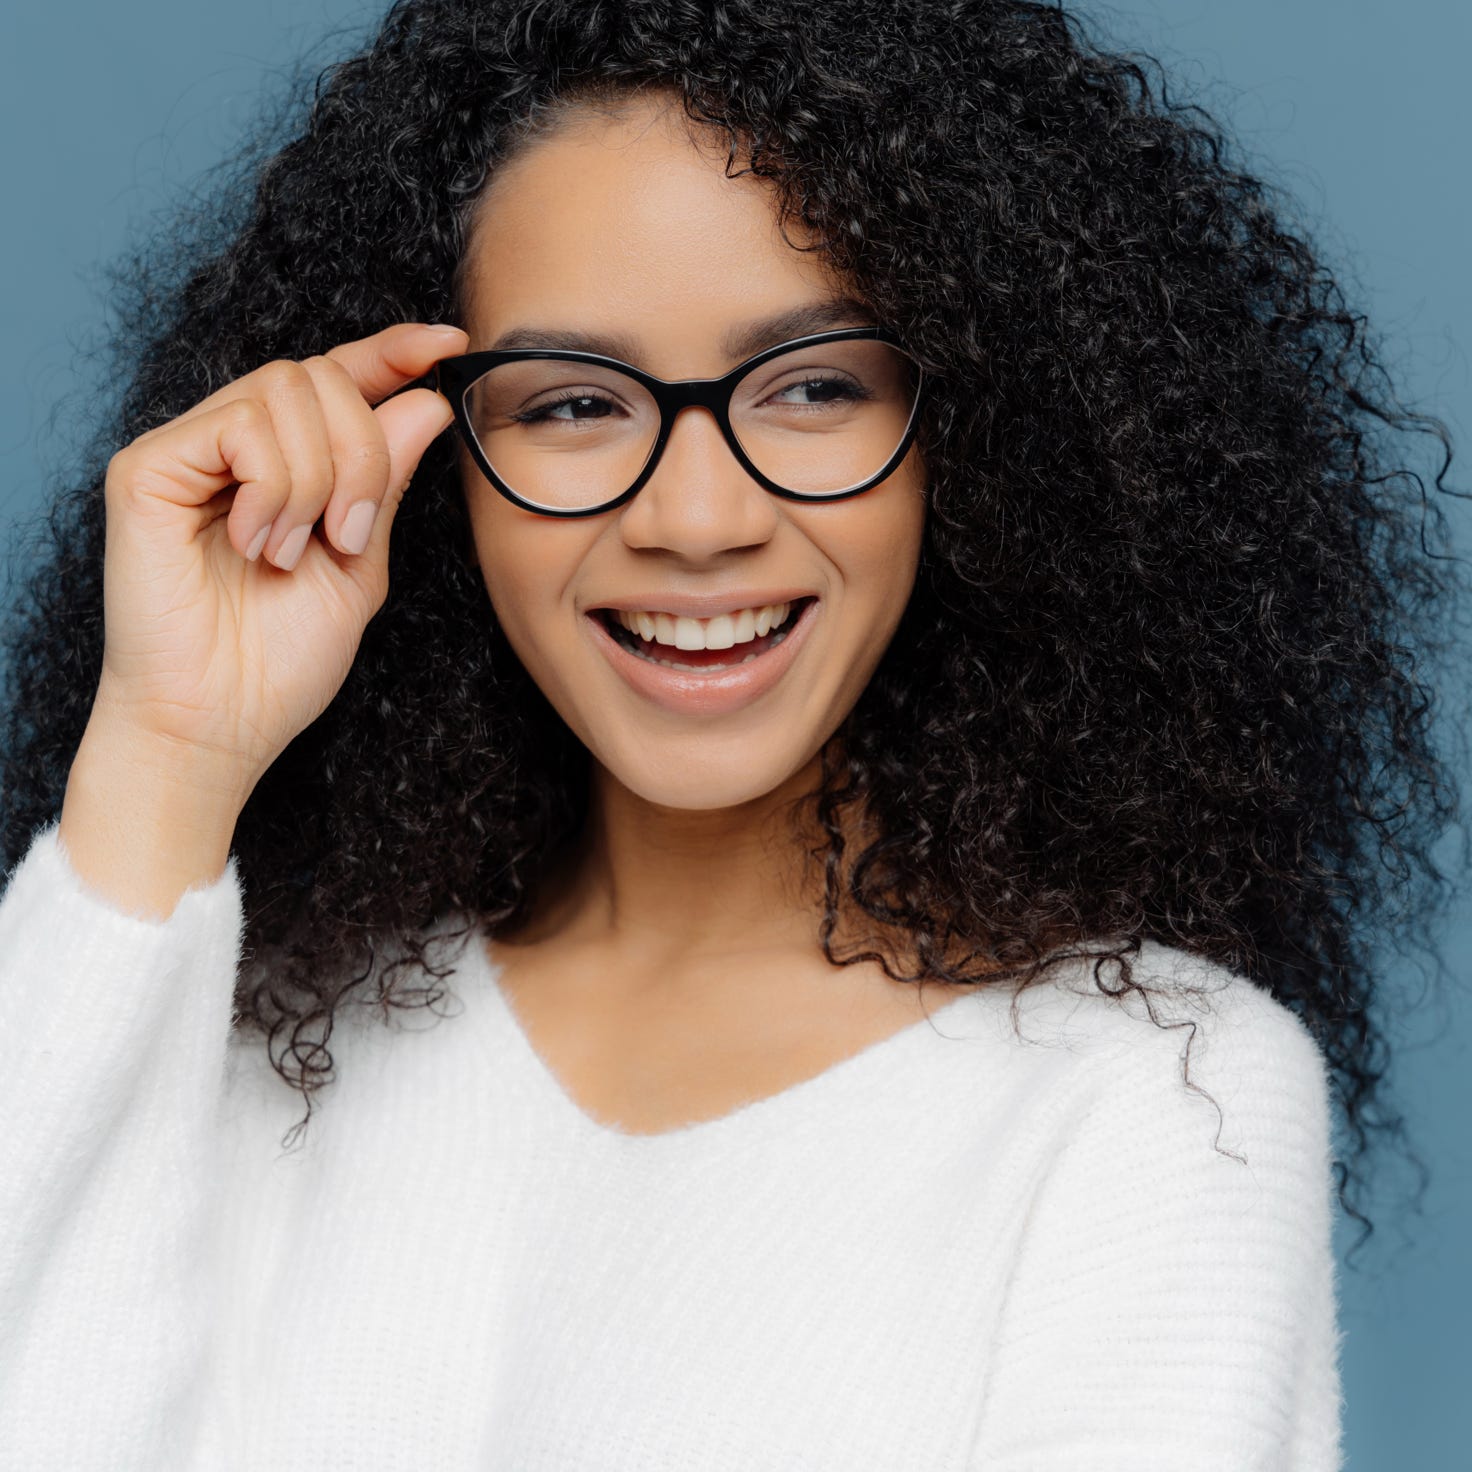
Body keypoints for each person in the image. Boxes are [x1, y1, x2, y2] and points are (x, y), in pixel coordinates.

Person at [0, 0, 1461, 1466]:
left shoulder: (1157, 1099)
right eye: (575, 404)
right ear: (435, 463)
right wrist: (169, 754)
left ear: (989, 437)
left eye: (817, 387)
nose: (697, 520)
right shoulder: (266, 1035)